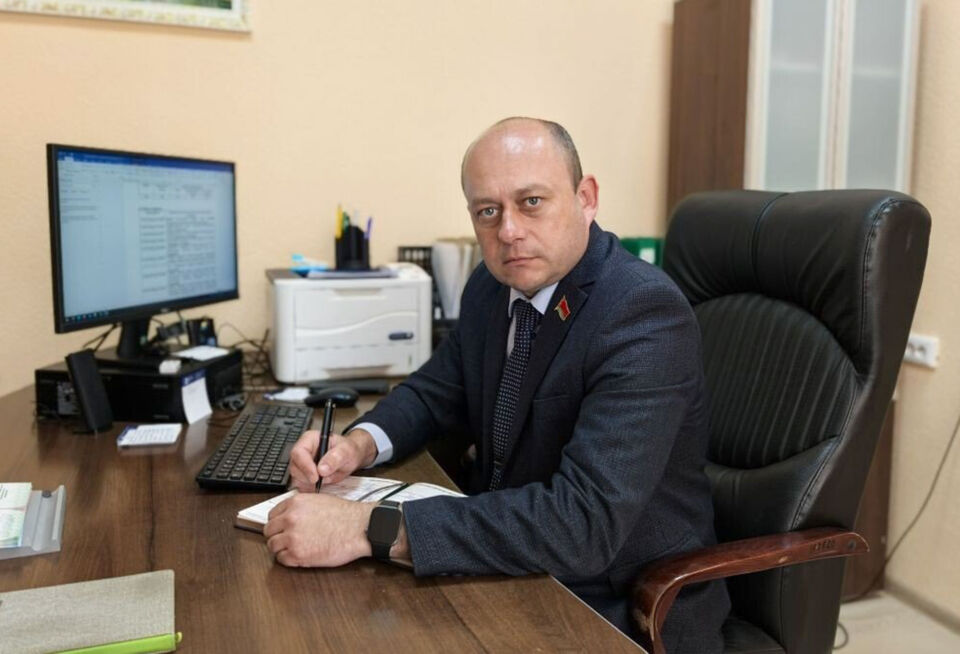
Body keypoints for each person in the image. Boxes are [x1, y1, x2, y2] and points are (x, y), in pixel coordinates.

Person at [264, 117, 729, 652]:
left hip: (614, 604)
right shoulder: (492, 284)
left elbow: (583, 525)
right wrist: (356, 444)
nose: (508, 231)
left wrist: (368, 528)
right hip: (511, 565)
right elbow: (436, 390)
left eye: (531, 202)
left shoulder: (641, 312)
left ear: (586, 198)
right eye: (488, 211)